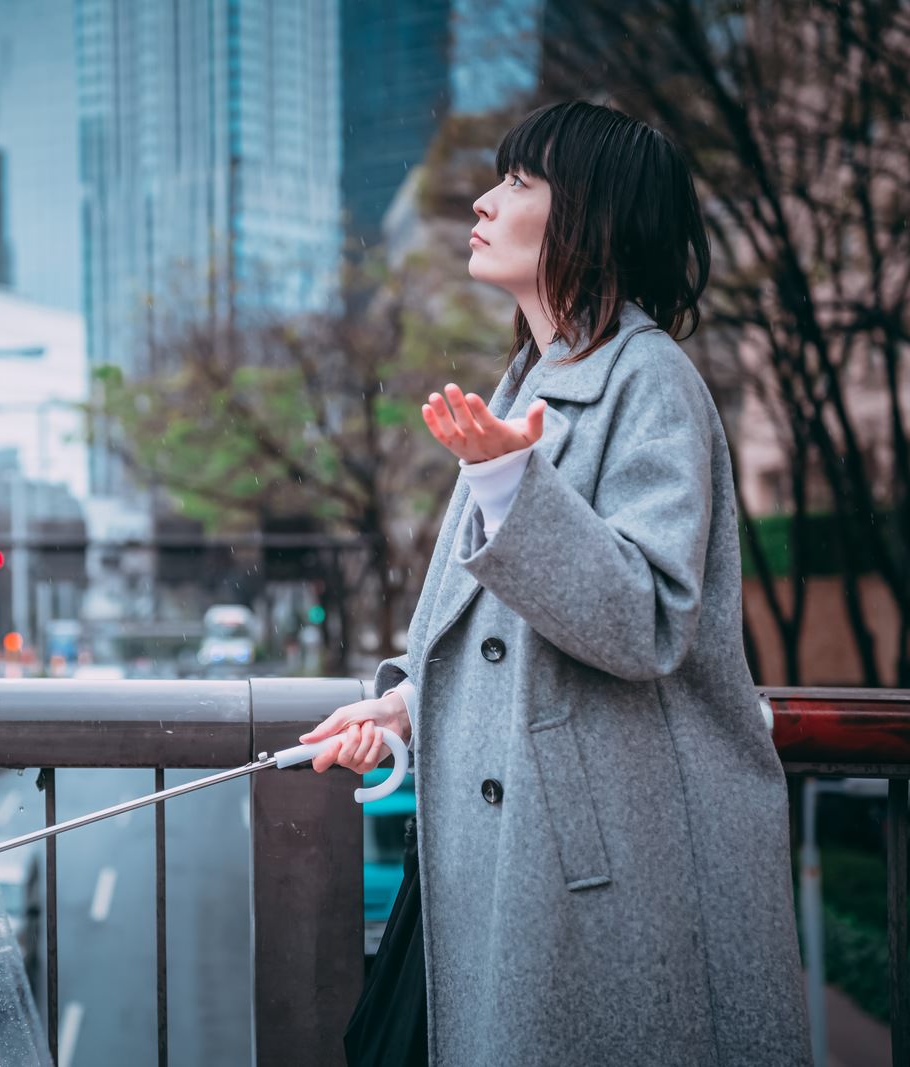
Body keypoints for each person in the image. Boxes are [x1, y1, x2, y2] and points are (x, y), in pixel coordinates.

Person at [302, 100, 812, 1065]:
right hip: (515, 874)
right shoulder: (526, 384)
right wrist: (406, 707)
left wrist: (506, 480)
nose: (486, 203)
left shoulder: (650, 378)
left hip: (600, 886)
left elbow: (644, 620)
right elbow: (507, 635)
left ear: (590, 215)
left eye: (520, 182)